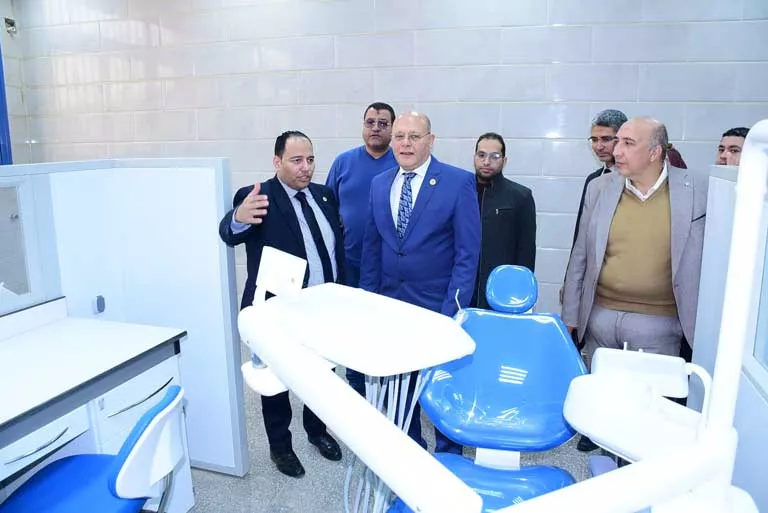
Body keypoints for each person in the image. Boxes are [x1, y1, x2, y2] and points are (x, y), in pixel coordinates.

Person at [219, 131, 345, 478]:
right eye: (296, 160)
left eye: (310, 159)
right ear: (277, 162)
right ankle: (281, 448)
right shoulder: (258, 196)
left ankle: (317, 432)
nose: (306, 167)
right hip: (276, 313)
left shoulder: (324, 195)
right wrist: (237, 218)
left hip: (322, 309)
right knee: (276, 383)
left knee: (321, 376)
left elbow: (335, 249)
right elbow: (229, 232)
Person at [360, 111, 481, 454]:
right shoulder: (380, 183)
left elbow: (467, 254)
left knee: (442, 387)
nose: (405, 143)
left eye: (414, 136)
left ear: (431, 140)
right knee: (400, 385)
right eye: (399, 136)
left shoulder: (458, 182)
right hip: (391, 305)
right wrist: (367, 302)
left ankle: (447, 456)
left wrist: (452, 311)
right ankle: (410, 448)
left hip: (436, 307)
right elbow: (372, 247)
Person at [563, 115, 707, 372]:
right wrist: (570, 318)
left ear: (654, 152)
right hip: (601, 320)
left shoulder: (698, 189)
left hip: (660, 326)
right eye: (617, 142)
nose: (617, 151)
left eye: (628, 143)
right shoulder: (599, 188)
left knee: (652, 397)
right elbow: (580, 255)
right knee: (599, 394)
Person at [326, 101, 398, 396]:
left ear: (392, 128)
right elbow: (327, 207)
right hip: (350, 263)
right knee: (354, 328)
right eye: (370, 122)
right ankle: (356, 384)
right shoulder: (343, 162)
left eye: (383, 123)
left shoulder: (403, 162)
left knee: (386, 328)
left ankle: (388, 386)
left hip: (390, 267)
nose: (376, 128)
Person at [472, 132, 536, 309]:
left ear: (504, 161)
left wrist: (519, 294)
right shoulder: (461, 191)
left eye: (495, 156)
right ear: (474, 157)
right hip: (463, 288)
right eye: (481, 155)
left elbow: (526, 252)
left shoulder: (520, 196)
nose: (486, 162)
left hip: (501, 291)